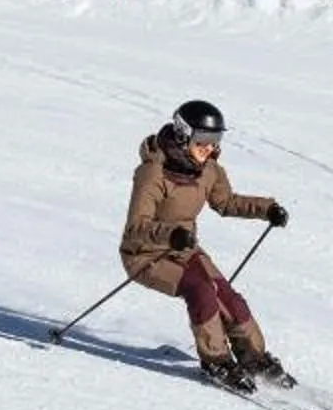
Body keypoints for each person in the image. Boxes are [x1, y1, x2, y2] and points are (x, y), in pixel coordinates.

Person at [120, 99, 292, 391]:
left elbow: (226, 202)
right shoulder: (152, 173)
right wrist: (171, 234)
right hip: (145, 255)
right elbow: (137, 228)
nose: (209, 148)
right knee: (200, 289)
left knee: (228, 297)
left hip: (184, 248)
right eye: (203, 141)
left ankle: (253, 357)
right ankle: (217, 360)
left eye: (215, 140)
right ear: (183, 135)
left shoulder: (208, 170)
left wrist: (267, 209)